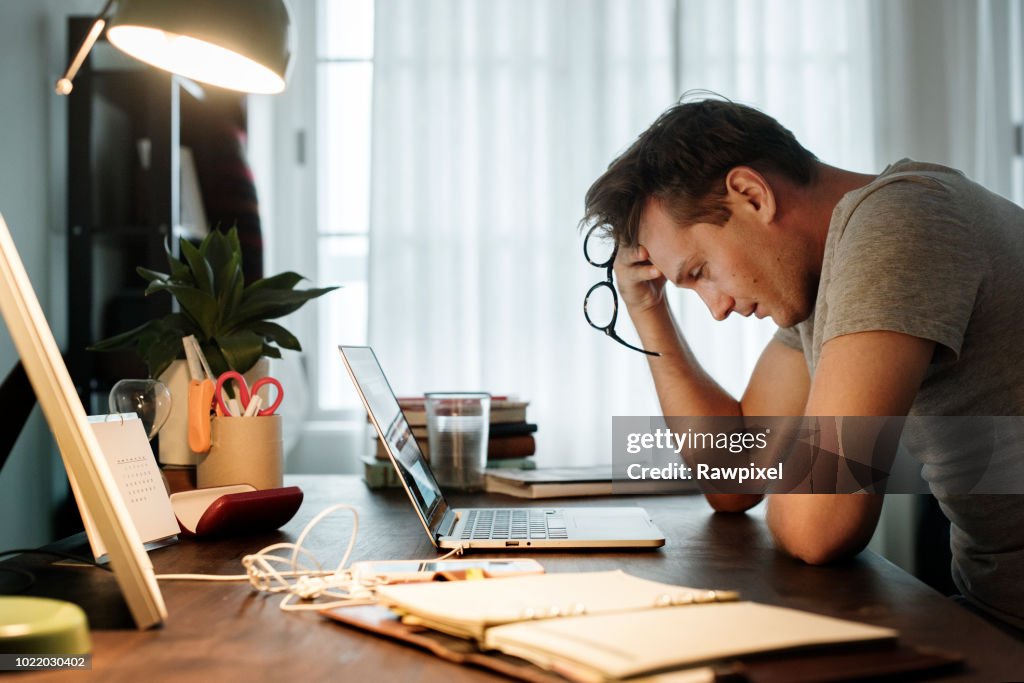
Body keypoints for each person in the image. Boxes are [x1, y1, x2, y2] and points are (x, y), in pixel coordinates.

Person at [581, 96, 1024, 631]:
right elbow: (733, 478)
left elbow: (821, 524)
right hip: (991, 613)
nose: (718, 308)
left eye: (701, 272)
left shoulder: (901, 223)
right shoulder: (825, 278)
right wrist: (647, 308)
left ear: (751, 194)